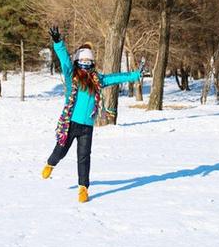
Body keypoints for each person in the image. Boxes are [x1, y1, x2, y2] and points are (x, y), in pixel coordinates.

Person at [42, 26, 145, 203]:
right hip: (71, 123)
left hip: (87, 126)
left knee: (84, 157)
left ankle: (83, 188)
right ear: (78, 61)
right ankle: (51, 163)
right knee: (61, 151)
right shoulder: (71, 74)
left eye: (88, 61)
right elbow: (64, 59)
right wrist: (58, 42)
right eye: (82, 60)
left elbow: (116, 77)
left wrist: (136, 75)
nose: (85, 63)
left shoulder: (98, 80)